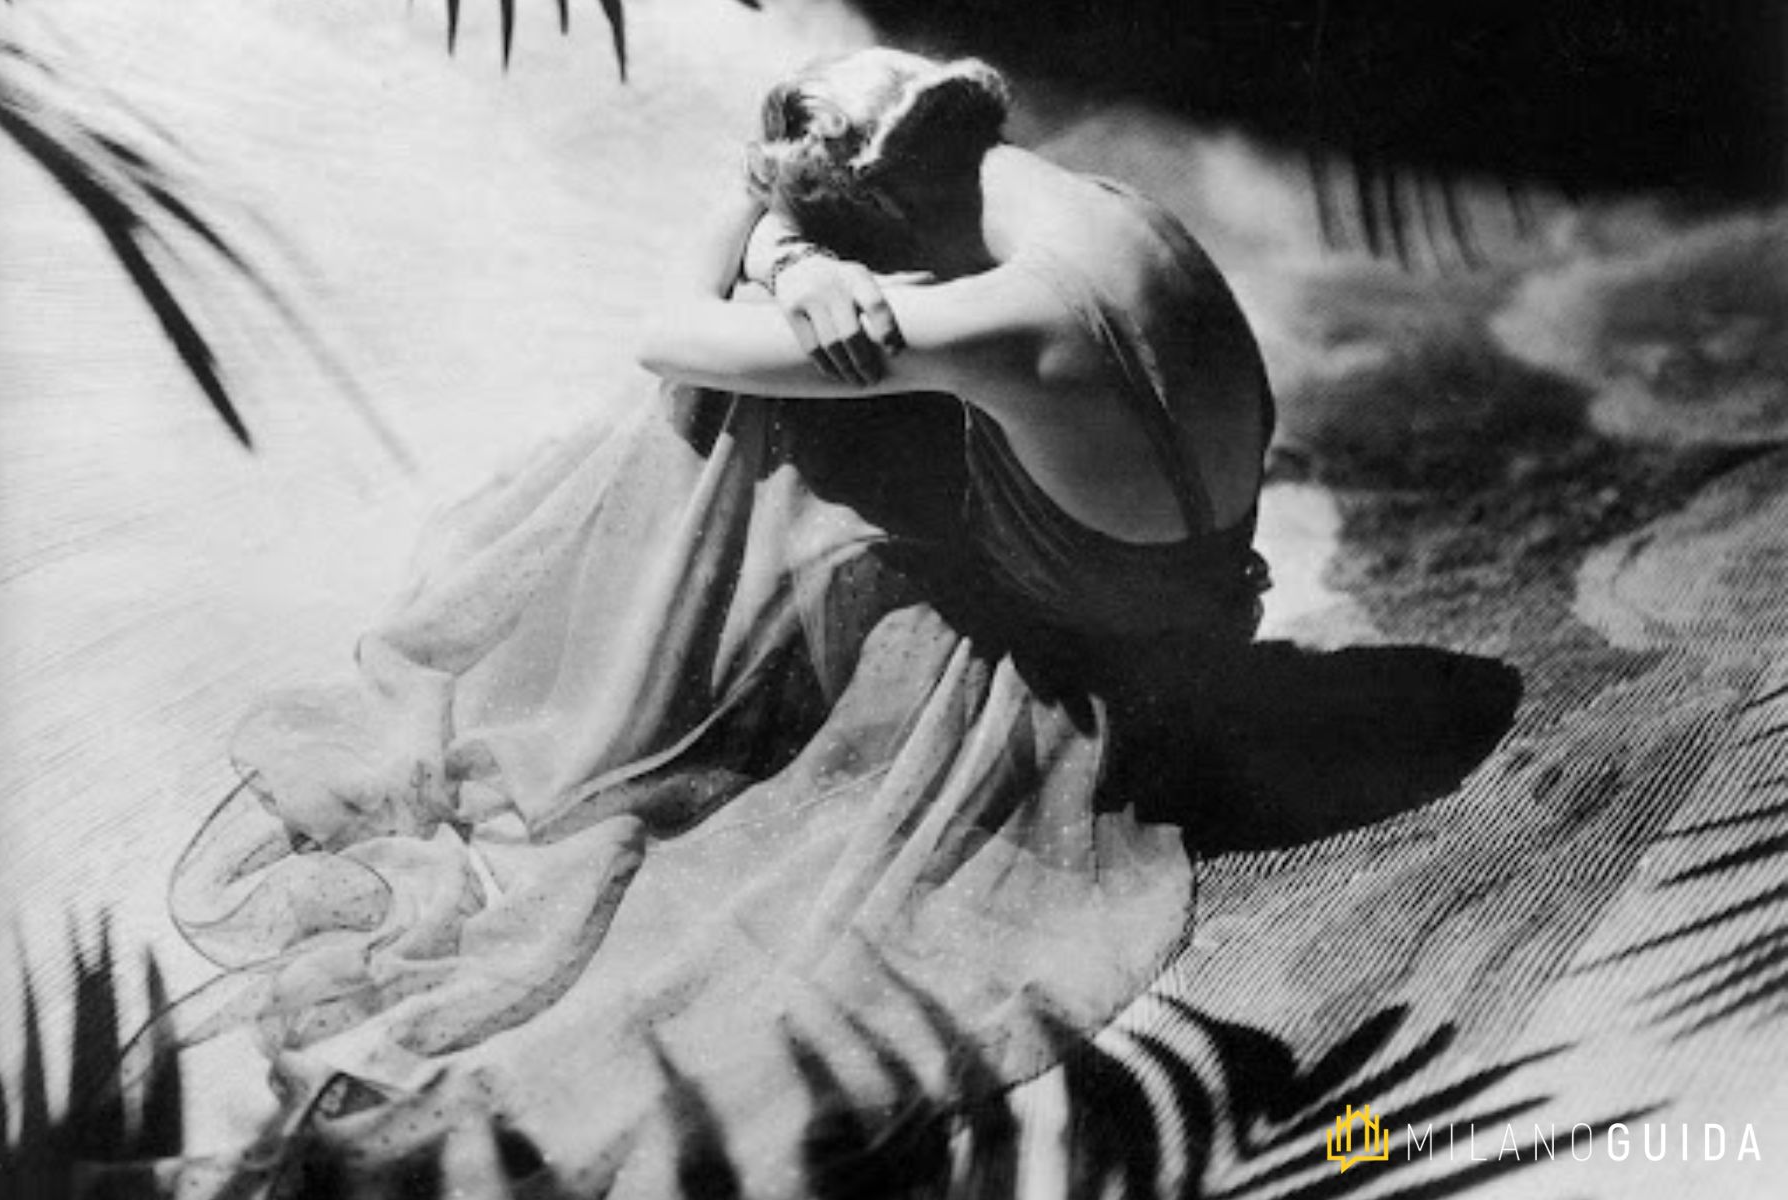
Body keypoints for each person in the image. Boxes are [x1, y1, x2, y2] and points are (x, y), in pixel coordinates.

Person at [162, 48, 1274, 1196]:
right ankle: (659, 693)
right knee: (794, 355)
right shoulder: (1085, 212)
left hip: (1104, 667)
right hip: (1181, 593)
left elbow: (669, 335)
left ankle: (630, 722)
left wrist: (769, 228)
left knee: (730, 395)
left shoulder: (1006, 320)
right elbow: (840, 205)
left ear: (892, 212)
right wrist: (802, 260)